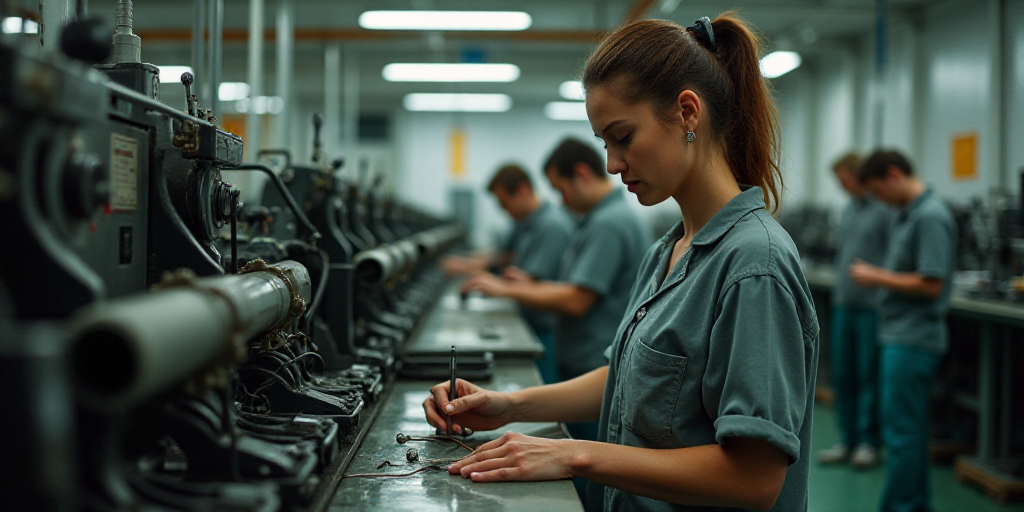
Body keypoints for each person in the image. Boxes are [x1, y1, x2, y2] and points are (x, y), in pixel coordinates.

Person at [424, 14, 819, 512]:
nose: (612, 164)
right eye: (604, 144)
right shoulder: (669, 252)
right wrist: (508, 406)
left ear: (687, 113)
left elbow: (754, 479)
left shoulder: (753, 265)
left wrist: (575, 454)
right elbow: (625, 377)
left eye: (623, 137)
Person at [461, 139, 649, 392]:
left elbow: (576, 300)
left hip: (593, 368)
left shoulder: (609, 224)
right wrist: (528, 285)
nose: (562, 202)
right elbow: (576, 287)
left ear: (581, 175)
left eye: (561, 190)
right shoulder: (599, 220)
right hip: (586, 363)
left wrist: (505, 289)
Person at [849, 150, 956, 512]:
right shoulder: (907, 215)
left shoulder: (930, 217)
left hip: (913, 338)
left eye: (878, 191)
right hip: (899, 334)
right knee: (908, 432)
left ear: (894, 174)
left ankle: (900, 506)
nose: (879, 200)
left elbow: (931, 284)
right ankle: (915, 504)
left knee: (901, 435)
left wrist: (877, 276)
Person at [442, 164, 574, 383]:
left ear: (522, 191)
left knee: (541, 390)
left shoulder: (551, 226)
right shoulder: (524, 223)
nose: (503, 211)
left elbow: (532, 282)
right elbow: (501, 257)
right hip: (529, 320)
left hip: (543, 330)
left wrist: (500, 285)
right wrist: (471, 267)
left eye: (505, 203)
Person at [816, 152, 893, 469]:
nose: (839, 185)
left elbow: (893, 260)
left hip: (872, 308)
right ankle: (847, 440)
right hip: (844, 305)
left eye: (842, 178)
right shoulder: (848, 211)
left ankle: (868, 442)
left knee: (868, 376)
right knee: (844, 376)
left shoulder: (884, 212)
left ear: (855, 174)